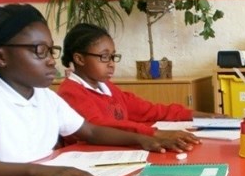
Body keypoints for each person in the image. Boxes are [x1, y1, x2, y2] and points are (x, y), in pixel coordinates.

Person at [0, 4, 193, 176]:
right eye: (39, 50)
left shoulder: (45, 97)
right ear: (0, 57)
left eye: (50, 50)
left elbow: (91, 130)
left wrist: (143, 140)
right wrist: (35, 172)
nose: (50, 60)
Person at [56, 23, 219, 145]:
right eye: (104, 57)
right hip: (89, 160)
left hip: (120, 152)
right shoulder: (71, 92)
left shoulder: (106, 87)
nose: (112, 63)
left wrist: (197, 116)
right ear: (79, 59)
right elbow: (98, 127)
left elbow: (150, 111)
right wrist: (154, 134)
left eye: (113, 57)